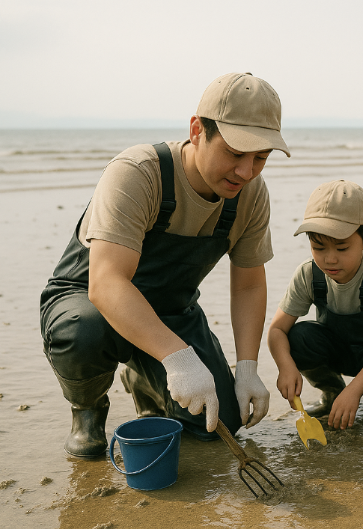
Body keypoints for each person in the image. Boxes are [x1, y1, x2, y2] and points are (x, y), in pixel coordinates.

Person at [39, 72, 289, 458]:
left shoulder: (251, 196)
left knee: (218, 422)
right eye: (235, 153)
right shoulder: (139, 172)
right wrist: (180, 358)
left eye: (261, 157)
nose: (246, 171)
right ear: (196, 130)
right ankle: (86, 409)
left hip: (171, 311)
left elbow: (249, 285)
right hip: (89, 302)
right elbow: (106, 283)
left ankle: (145, 380)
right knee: (82, 331)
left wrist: (248, 368)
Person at [267, 180, 363, 429]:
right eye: (318, 247)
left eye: (342, 247)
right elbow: (276, 330)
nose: (330, 258)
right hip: (339, 349)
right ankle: (333, 393)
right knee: (298, 336)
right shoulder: (308, 273)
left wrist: (356, 391)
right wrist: (285, 366)